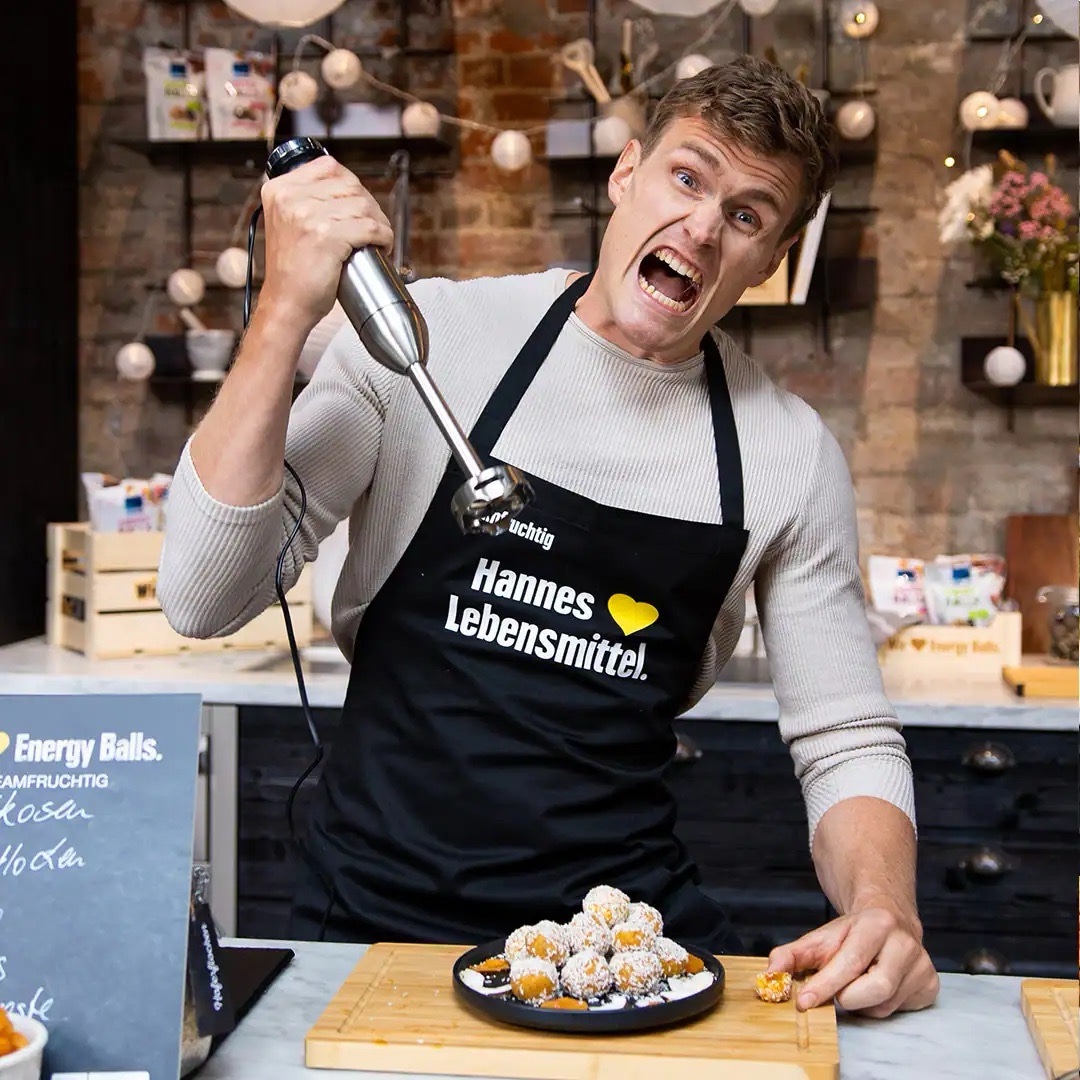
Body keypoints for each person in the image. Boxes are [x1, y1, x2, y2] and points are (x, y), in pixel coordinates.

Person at [158, 55, 939, 1019]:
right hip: (370, 931)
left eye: (745, 214)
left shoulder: (786, 455)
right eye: (687, 178)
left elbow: (846, 738)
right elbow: (200, 596)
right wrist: (282, 311)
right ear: (626, 173)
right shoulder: (429, 343)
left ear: (770, 258)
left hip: (617, 958)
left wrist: (883, 908)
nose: (700, 226)